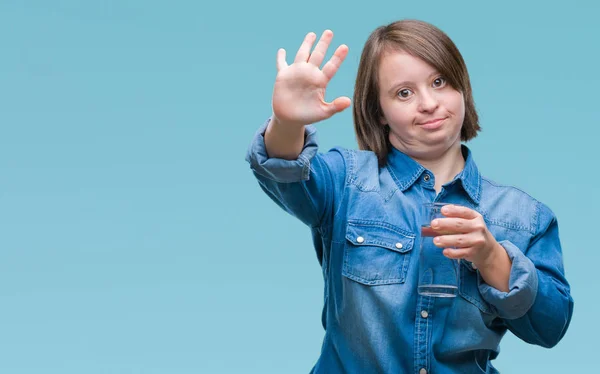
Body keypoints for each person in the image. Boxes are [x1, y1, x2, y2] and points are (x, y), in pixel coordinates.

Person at [245, 19, 573, 374]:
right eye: (404, 93)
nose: (429, 103)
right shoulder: (346, 181)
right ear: (379, 113)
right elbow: (285, 170)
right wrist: (287, 123)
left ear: (461, 86)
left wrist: (492, 257)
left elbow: (551, 326)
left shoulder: (524, 217)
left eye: (439, 82)